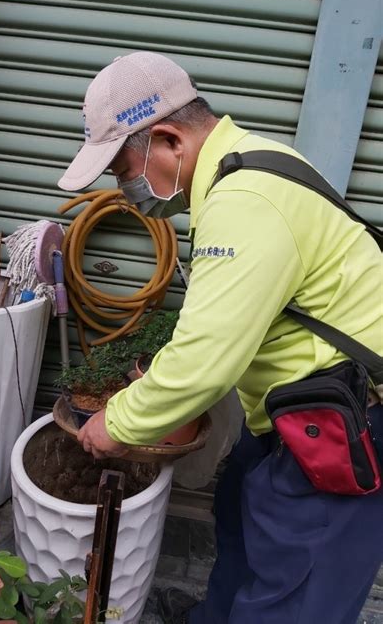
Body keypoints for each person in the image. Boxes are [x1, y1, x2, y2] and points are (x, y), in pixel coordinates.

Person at [57, 51, 383, 623]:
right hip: (293, 404)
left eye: (122, 171)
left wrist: (118, 424)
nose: (127, 188)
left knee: (298, 588)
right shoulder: (246, 165)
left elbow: (204, 361)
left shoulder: (244, 202)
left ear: (168, 140)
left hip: (347, 417)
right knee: (239, 513)